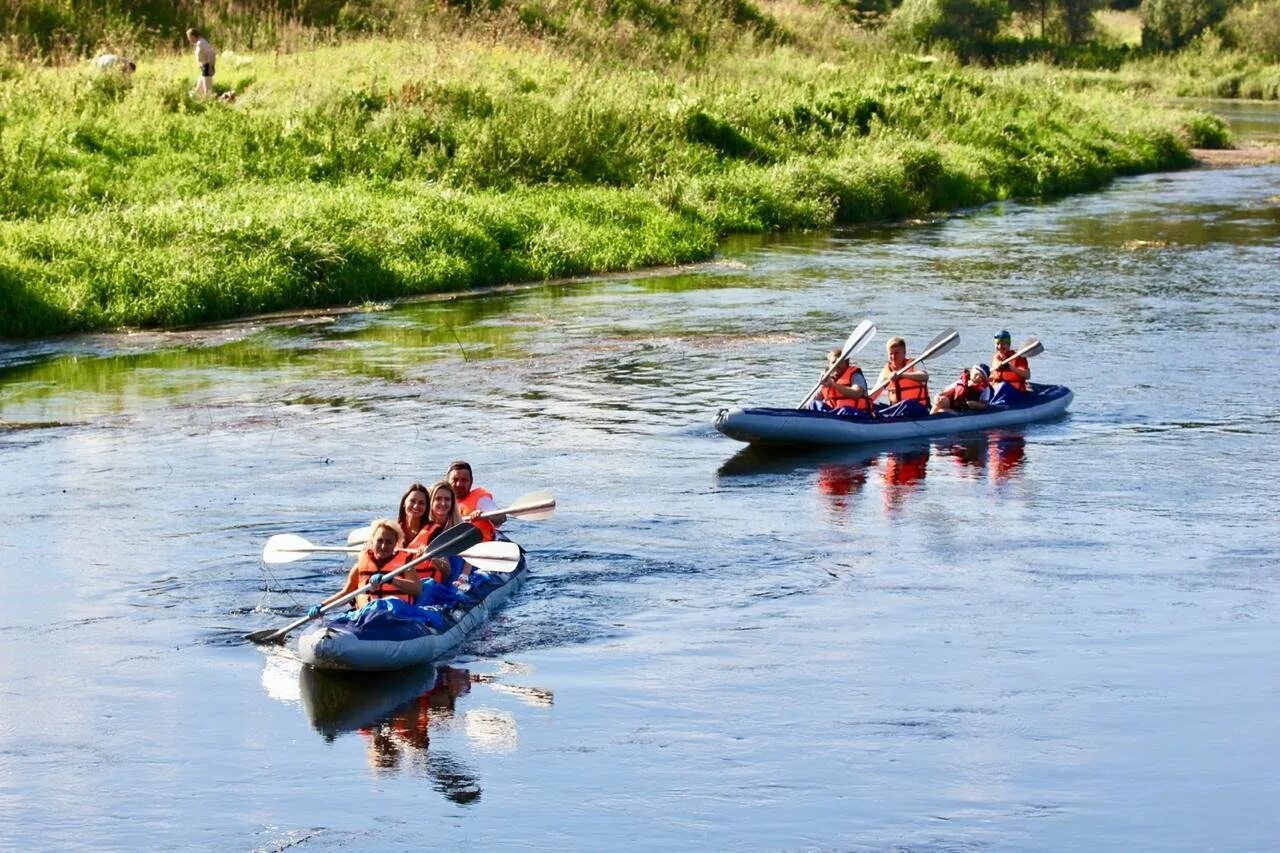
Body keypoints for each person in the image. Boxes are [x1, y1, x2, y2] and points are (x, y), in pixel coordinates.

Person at [310, 519, 421, 616]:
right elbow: (346, 594)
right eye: (379, 540)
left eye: (389, 542)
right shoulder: (359, 567)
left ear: (396, 544)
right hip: (366, 617)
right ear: (372, 541)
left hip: (398, 616)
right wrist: (323, 606)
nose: (383, 546)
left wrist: (391, 580)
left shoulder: (406, 565)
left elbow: (417, 590)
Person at [446, 460, 504, 541]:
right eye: (455, 480)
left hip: (482, 545)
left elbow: (501, 518)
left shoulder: (481, 500)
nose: (459, 484)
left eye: (464, 480)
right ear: (447, 481)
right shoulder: (439, 501)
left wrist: (486, 515)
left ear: (471, 481)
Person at [874, 337, 930, 411]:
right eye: (891, 353)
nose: (893, 357)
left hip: (918, 408)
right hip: (897, 409)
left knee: (907, 404)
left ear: (904, 352)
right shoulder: (886, 370)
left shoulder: (914, 363)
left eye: (896, 353)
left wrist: (902, 375)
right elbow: (875, 392)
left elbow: (924, 376)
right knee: (871, 406)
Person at [811, 349, 872, 416]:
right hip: (833, 415)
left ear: (846, 364)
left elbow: (856, 394)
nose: (836, 366)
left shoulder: (855, 376)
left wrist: (833, 384)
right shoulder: (826, 379)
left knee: (845, 410)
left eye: (840, 362)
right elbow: (815, 400)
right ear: (829, 365)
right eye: (833, 363)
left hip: (856, 415)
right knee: (813, 404)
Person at [186, 28, 216, 98]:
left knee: (207, 92)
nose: (189, 39)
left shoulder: (202, 42)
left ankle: (211, 106)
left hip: (207, 68)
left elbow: (211, 54)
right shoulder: (198, 43)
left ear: (193, 36)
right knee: (198, 91)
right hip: (203, 69)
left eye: (189, 37)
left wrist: (211, 67)